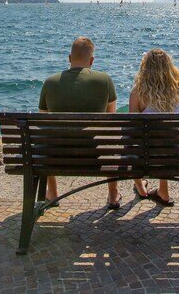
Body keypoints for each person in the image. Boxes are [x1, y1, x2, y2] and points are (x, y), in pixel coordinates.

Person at [38, 36, 121, 209]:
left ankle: (52, 193)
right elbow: (111, 120)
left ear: (69, 58)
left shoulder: (50, 82)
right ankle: (113, 195)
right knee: (111, 139)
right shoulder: (104, 80)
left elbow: (42, 123)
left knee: (47, 138)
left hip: (57, 156)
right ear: (92, 61)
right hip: (95, 154)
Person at [129, 48, 179, 206]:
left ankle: (140, 186)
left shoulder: (138, 92)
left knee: (130, 142)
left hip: (144, 156)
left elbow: (132, 126)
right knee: (167, 137)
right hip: (173, 154)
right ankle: (163, 190)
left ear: (145, 68)